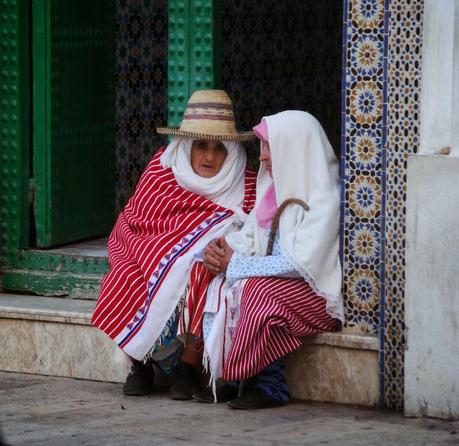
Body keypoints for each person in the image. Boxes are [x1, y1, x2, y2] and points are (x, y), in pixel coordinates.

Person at [91, 90, 256, 400]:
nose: (209, 157)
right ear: (186, 146)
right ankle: (139, 364)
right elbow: (136, 220)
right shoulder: (162, 171)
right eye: (201, 146)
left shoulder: (245, 183)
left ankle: (188, 368)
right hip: (144, 254)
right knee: (128, 274)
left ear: (232, 151)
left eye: (220, 148)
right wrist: (159, 255)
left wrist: (214, 248)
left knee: (203, 269)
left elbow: (252, 230)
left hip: (206, 266)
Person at [198, 110, 344, 409]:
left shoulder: (324, 197)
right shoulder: (272, 191)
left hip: (313, 295)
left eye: (269, 147)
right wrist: (224, 249)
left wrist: (236, 265)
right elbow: (252, 236)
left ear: (294, 147)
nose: (262, 157)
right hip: (275, 283)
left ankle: (270, 386)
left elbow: (298, 263)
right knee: (218, 286)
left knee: (257, 293)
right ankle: (233, 379)